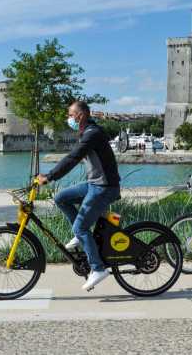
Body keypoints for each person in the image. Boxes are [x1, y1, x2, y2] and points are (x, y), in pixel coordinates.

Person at [37, 101, 121, 291]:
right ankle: (81, 235)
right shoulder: (87, 132)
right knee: (61, 198)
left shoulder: (92, 134)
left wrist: (49, 177)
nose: (69, 118)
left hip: (104, 187)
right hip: (94, 184)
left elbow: (73, 158)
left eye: (71, 114)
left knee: (81, 227)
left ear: (81, 115)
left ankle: (98, 268)